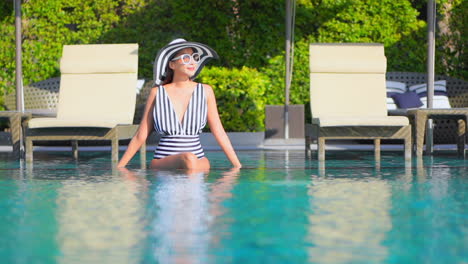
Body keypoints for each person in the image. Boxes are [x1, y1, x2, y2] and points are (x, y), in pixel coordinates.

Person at [117, 39, 242, 170]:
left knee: (191, 160)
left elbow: (219, 132)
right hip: (164, 161)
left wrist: (237, 166)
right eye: (186, 57)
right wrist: (120, 168)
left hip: (198, 161)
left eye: (195, 57)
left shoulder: (206, 91)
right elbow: (141, 135)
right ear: (172, 64)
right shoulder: (157, 93)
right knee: (188, 159)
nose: (192, 62)